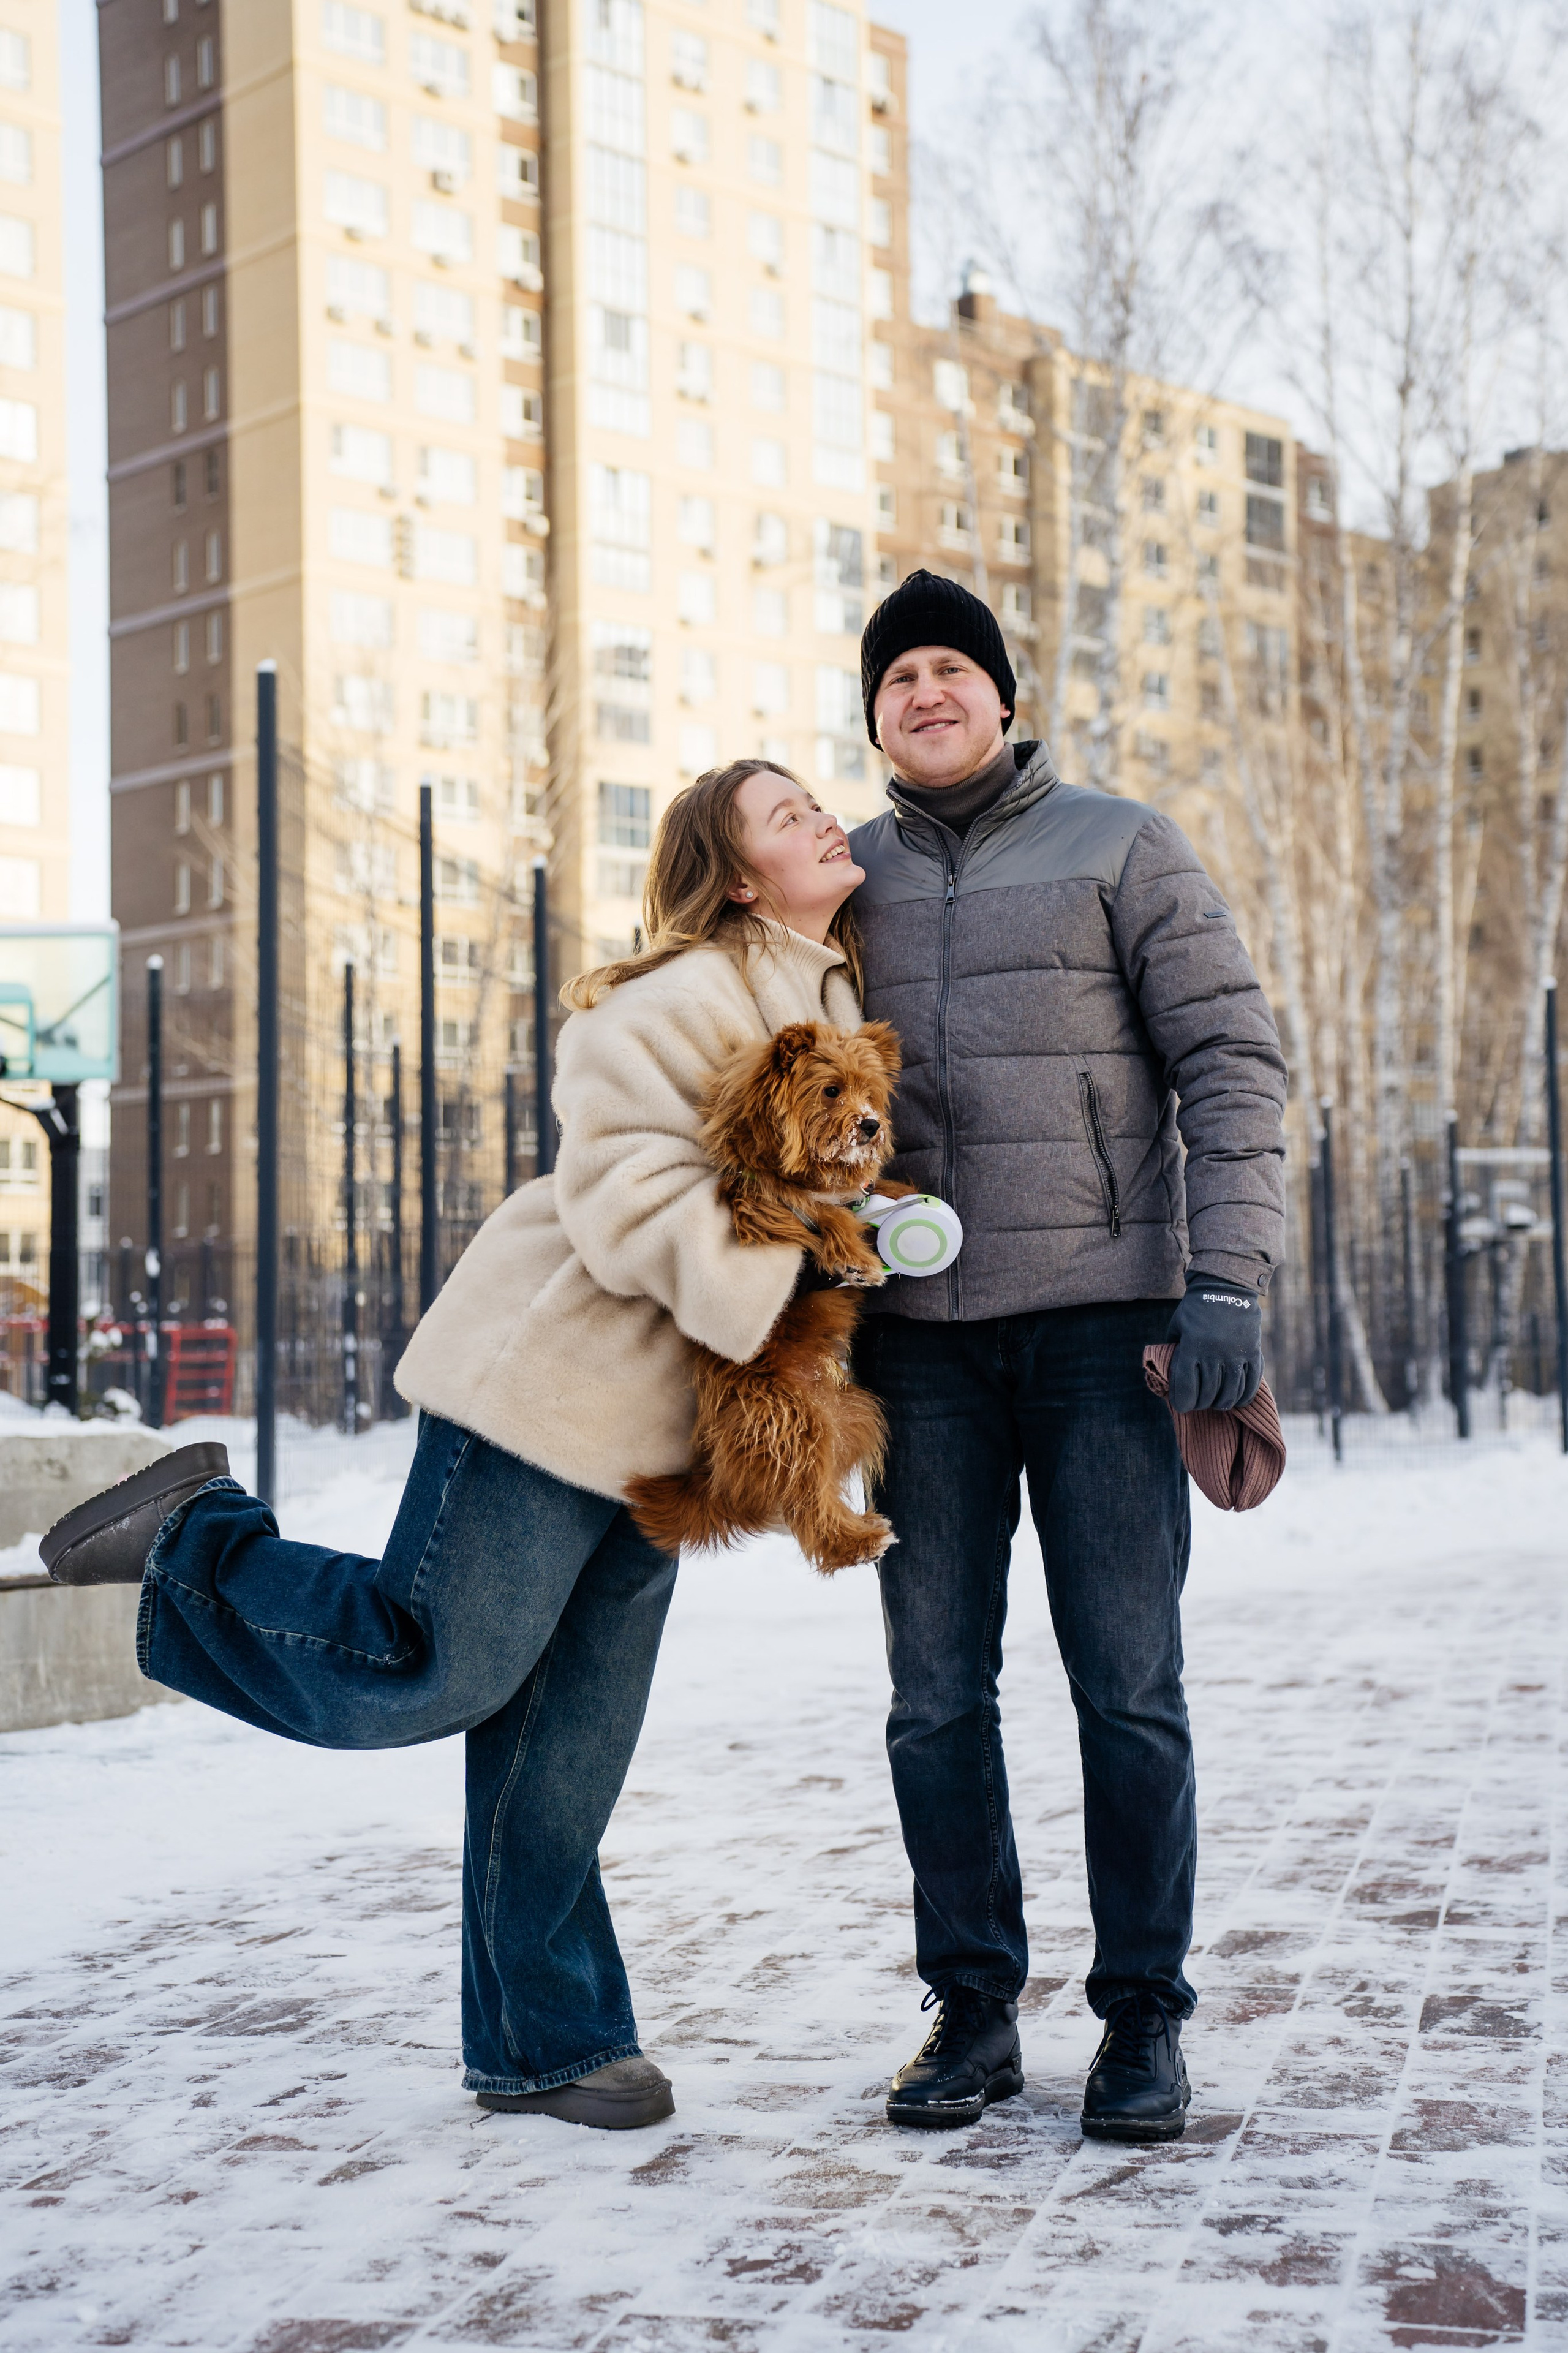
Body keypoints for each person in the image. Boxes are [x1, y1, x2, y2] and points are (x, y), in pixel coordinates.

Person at [43, 761, 869, 2133]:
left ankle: (549, 2044)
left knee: (567, 1744)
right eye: (788, 816)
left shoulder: (831, 998)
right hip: (546, 1383)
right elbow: (619, 1196)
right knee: (431, 1661)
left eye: (816, 803)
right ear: (734, 876)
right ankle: (194, 1539)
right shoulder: (670, 1003)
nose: (824, 820)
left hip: (665, 1437)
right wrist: (797, 1258)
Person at [847, 571, 1287, 2143]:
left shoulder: (1120, 843)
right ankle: (969, 2014)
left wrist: (1222, 1277)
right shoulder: (843, 883)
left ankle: (1141, 2024)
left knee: (1127, 1686)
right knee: (929, 1700)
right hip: (914, 1351)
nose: (924, 691)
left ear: (1006, 698)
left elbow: (1231, 1058)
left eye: (951, 667)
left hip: (1109, 1329)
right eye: (895, 677)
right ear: (874, 716)